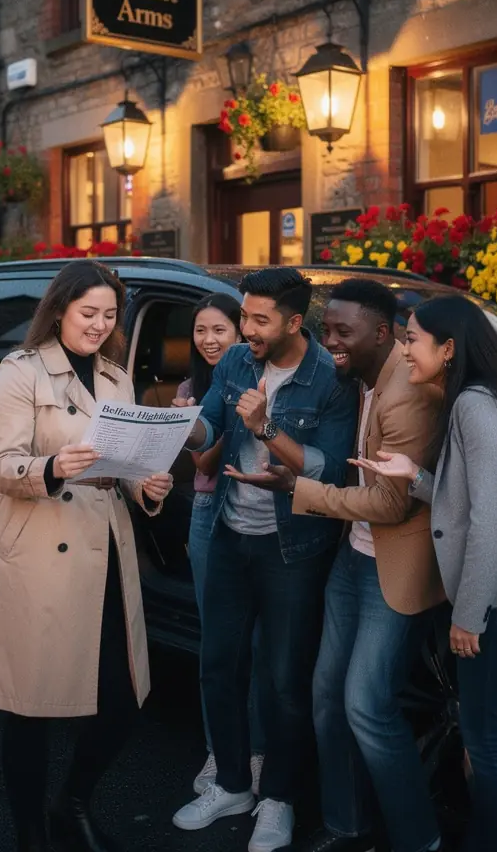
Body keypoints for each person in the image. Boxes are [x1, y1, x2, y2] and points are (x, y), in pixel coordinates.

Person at [0, 261, 173, 852]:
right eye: (89, 313)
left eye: (110, 315)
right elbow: (0, 467)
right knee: (30, 706)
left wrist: (146, 485)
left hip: (104, 549)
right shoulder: (20, 371)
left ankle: (72, 803)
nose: (100, 325)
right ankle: (31, 833)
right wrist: (52, 467)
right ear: (59, 310)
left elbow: (123, 462)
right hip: (40, 549)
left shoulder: (115, 375)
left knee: (123, 697)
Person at [354, 295, 497, 852]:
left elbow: (491, 521)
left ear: (448, 348)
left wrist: (468, 617)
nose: (404, 349)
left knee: (488, 743)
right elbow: (473, 499)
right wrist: (414, 474)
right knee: (487, 739)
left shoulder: (478, 405)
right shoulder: (490, 395)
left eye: (411, 339)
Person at [240, 279, 445, 852]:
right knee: (327, 698)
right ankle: (346, 826)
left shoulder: (406, 395)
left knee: (367, 707)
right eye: (325, 328)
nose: (328, 340)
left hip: (391, 569)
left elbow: (391, 504)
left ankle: (420, 838)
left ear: (382, 333)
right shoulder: (359, 377)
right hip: (352, 558)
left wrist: (300, 490)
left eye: (341, 332)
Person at [172, 267, 358, 852]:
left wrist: (267, 428)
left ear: (294, 322)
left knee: (283, 681)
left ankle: (278, 798)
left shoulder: (329, 378)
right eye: (244, 316)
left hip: (292, 547)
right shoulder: (235, 361)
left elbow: (330, 468)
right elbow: (210, 426)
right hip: (230, 533)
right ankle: (232, 785)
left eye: (259, 320)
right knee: (219, 665)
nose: (246, 330)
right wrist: (178, 428)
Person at [172, 293, 268, 797]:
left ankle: (256, 755)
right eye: (201, 330)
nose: (209, 340)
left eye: (220, 330)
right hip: (210, 509)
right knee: (217, 642)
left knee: (258, 644)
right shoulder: (192, 389)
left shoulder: (263, 380)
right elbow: (204, 464)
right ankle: (219, 750)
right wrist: (204, 422)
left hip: (262, 514)